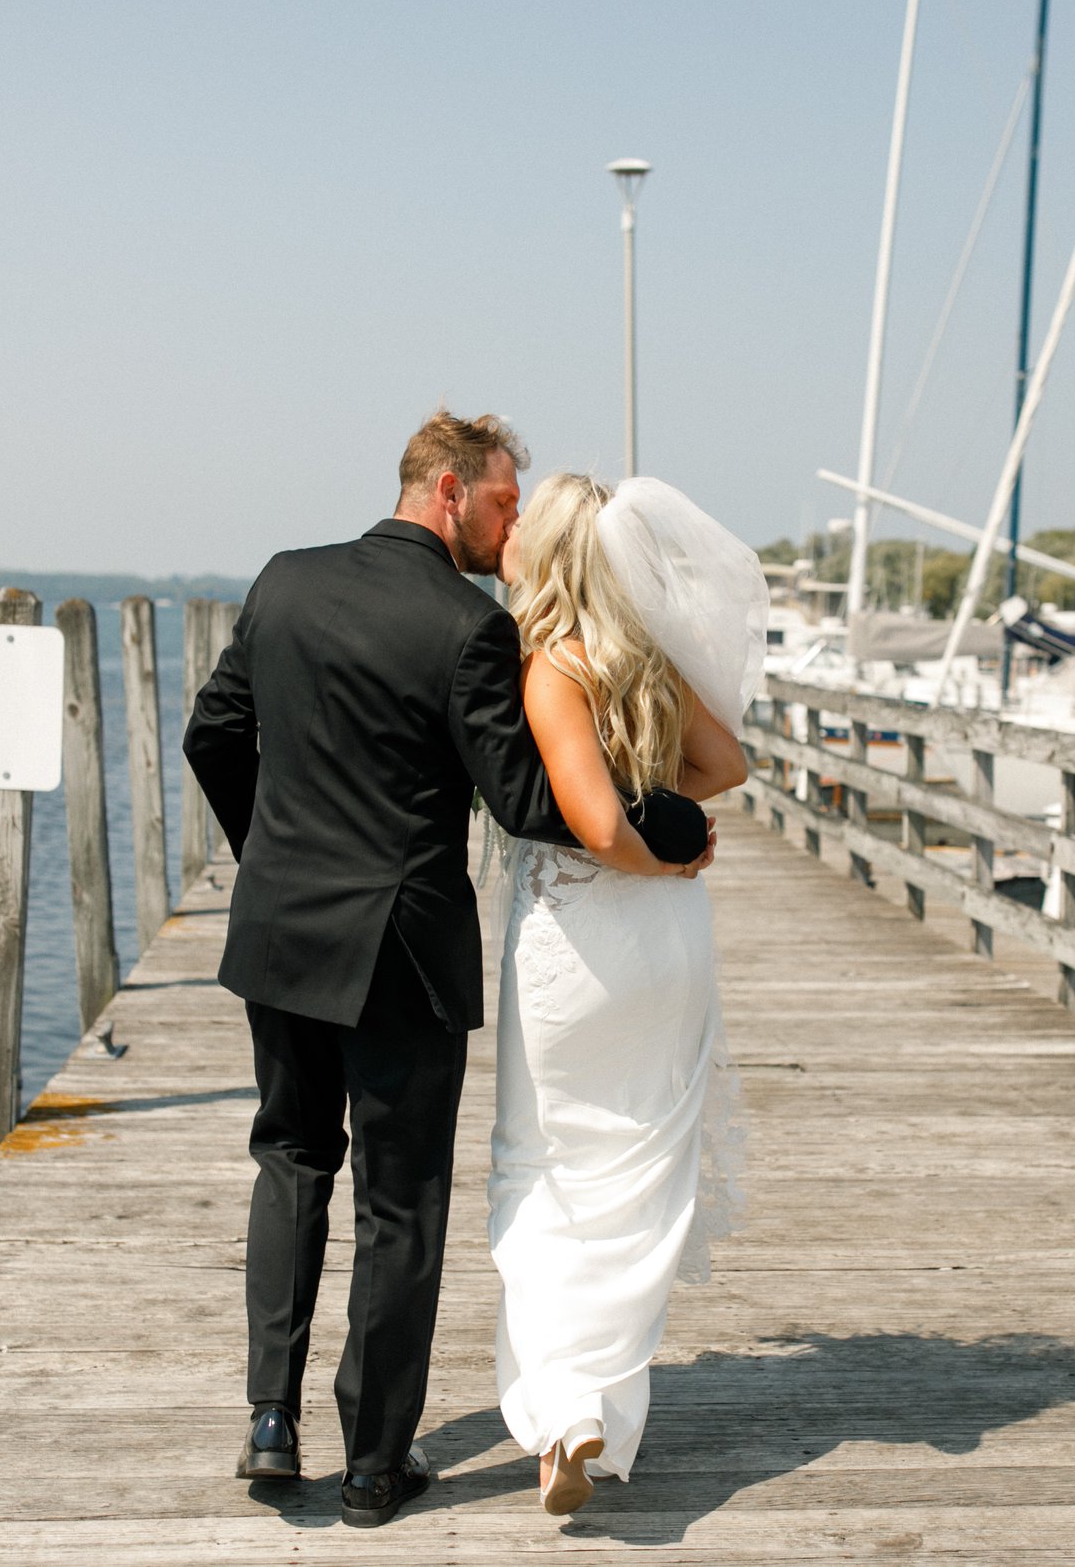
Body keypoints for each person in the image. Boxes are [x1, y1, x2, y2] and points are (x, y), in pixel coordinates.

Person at [182, 412, 712, 1529]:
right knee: (399, 1199)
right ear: (447, 490)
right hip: (400, 951)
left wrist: (267, 856)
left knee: (288, 1159)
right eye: (504, 502)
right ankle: (376, 1466)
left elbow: (212, 733)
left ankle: (269, 1419)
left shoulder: (282, 581)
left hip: (280, 934)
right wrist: (665, 825)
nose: (511, 525)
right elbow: (526, 798)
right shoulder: (463, 626)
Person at [486, 472, 765, 1517]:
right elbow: (725, 762)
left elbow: (595, 827)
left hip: (583, 940)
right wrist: (667, 819)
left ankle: (563, 1407)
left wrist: (644, 850)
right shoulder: (646, 656)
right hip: (668, 951)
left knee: (545, 1159)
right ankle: (598, 1392)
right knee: (640, 1168)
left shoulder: (552, 665)